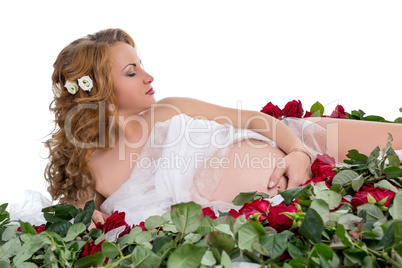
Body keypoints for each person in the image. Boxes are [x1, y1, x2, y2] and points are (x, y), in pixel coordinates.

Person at [45, 28, 402, 227]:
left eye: (142, 65)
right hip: (293, 207)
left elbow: (254, 121)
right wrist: (85, 209)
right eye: (132, 72)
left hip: (310, 145)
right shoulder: (91, 170)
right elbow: (85, 208)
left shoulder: (169, 109)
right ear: (101, 91)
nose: (149, 76)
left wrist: (299, 153)